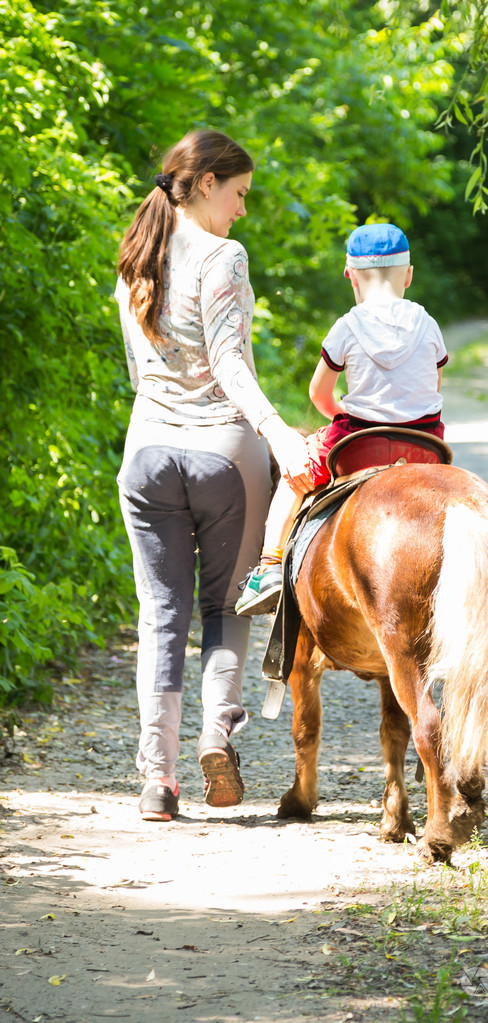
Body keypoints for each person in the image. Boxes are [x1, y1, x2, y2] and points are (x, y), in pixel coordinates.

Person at [115, 129, 313, 822]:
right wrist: (280, 434)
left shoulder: (136, 255)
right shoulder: (223, 255)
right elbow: (228, 362)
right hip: (222, 456)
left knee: (159, 618)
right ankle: (214, 737)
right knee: (225, 608)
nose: (242, 210)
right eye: (239, 194)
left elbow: (141, 373)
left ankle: (156, 781)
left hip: (145, 457)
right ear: (205, 185)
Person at [234, 222, 449, 616]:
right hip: (423, 449)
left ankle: (268, 567)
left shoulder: (347, 326)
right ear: (409, 275)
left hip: (358, 447)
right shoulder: (428, 324)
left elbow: (318, 393)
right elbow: (434, 387)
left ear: (350, 276)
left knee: (293, 474)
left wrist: (342, 415)